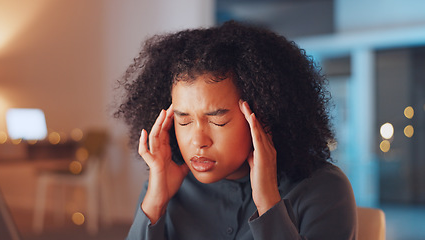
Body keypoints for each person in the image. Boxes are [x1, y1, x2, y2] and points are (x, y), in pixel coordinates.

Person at [114, 21, 357, 240]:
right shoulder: (165, 185)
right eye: (184, 121)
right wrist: (155, 202)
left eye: (218, 121)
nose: (198, 141)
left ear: (262, 116)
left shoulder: (322, 189)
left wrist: (268, 202)